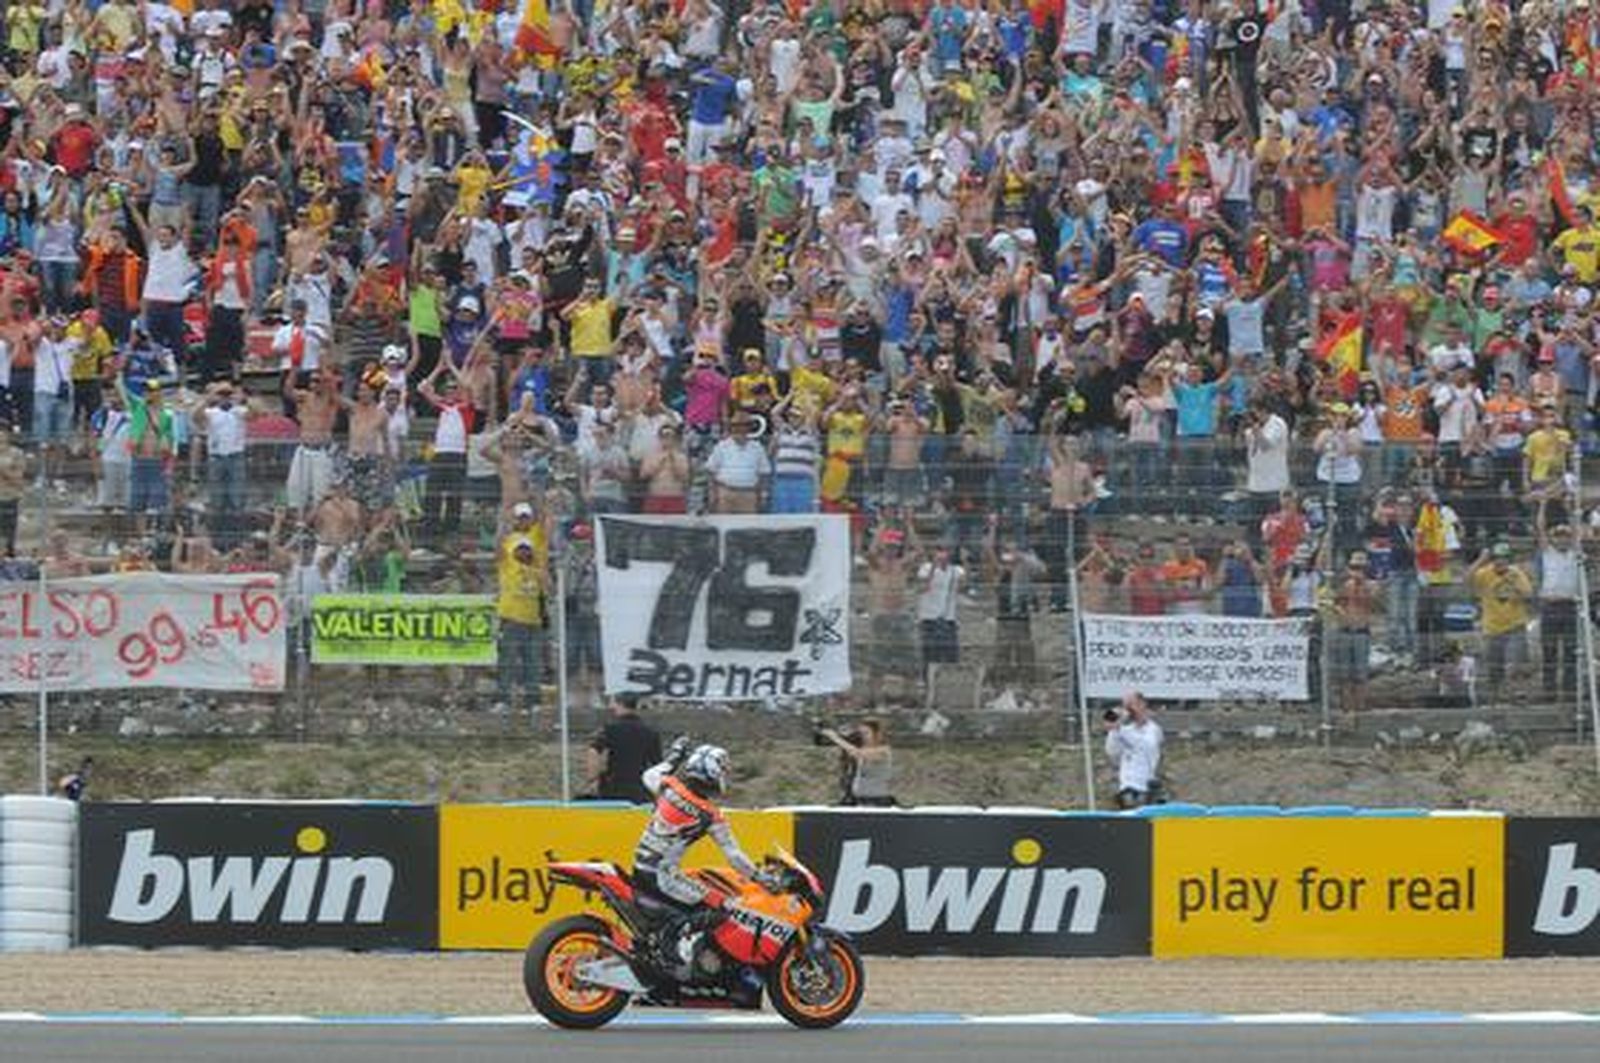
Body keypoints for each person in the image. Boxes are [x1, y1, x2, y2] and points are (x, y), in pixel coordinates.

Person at [634, 740, 759, 976]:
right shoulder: (709, 814)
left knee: (698, 889)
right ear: (711, 772)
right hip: (663, 876)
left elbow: (649, 774)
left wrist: (675, 756)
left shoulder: (668, 786)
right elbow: (734, 857)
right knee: (725, 907)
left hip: (641, 865)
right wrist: (759, 877)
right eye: (722, 770)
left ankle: (671, 944)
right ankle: (671, 939)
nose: (724, 776)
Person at [587, 695, 662, 804]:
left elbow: (593, 751)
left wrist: (593, 779)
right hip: (641, 789)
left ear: (620, 705)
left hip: (613, 787)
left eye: (614, 704)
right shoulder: (651, 732)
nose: (612, 707)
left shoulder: (610, 729)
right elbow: (658, 764)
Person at [1104, 692, 1163, 809]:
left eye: (1131, 704)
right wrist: (1113, 730)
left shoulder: (1153, 729)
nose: (1129, 709)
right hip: (1126, 786)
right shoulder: (1125, 730)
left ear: (1142, 704)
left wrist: (1121, 730)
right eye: (1126, 706)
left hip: (1146, 786)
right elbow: (1112, 751)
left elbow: (1147, 746)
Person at [818, 719, 895, 807]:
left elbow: (857, 753)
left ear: (876, 734)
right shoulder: (863, 748)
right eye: (861, 733)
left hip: (877, 799)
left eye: (866, 733)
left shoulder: (883, 750)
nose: (863, 737)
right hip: (860, 798)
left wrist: (835, 738)